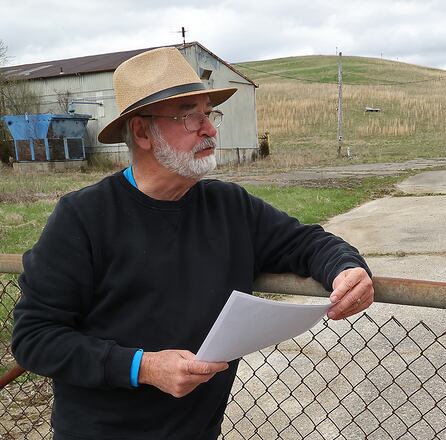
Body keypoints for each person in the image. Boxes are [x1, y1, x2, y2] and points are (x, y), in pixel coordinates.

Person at [11, 47, 374, 440]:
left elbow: (306, 242)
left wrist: (346, 269)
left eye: (209, 112)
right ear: (141, 132)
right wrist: (143, 367)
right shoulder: (83, 218)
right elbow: (34, 337)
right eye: (189, 115)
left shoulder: (229, 207)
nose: (210, 129)